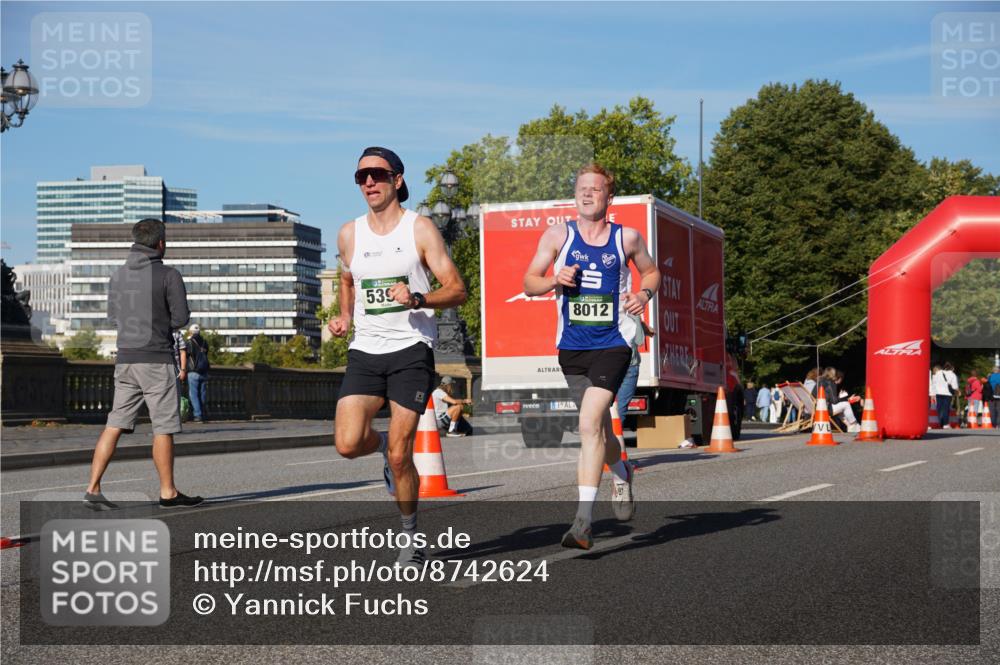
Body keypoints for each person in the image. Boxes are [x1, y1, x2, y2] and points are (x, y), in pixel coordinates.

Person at [329, 146, 467, 567]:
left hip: (410, 351)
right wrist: (344, 314)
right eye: (361, 177)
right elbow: (347, 278)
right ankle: (388, 446)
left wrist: (419, 296)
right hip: (365, 351)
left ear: (398, 180)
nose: (368, 182)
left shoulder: (420, 229)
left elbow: (458, 289)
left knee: (400, 455)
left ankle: (410, 537)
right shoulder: (349, 233)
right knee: (348, 444)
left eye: (377, 174)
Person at [523, 162, 660, 550]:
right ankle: (621, 471)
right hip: (572, 348)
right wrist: (554, 279)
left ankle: (582, 522)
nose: (587, 194)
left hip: (614, 343)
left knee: (587, 426)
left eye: (595, 189)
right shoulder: (557, 236)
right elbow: (529, 282)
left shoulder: (627, 238)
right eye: (582, 188)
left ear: (608, 198)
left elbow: (652, 274)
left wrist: (643, 296)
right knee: (597, 429)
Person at [83, 218, 203, 509]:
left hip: (124, 359)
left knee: (115, 424)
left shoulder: (118, 276)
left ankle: (93, 488)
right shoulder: (168, 274)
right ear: (160, 243)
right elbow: (181, 319)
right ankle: (168, 492)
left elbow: (113, 317)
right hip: (156, 360)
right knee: (163, 427)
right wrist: (158, 326)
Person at [186, 323, 210, 423]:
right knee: (202, 394)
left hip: (193, 371)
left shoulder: (190, 342)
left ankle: (198, 415)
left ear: (191, 332)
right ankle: (203, 414)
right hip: (204, 372)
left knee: (194, 394)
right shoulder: (204, 342)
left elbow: (187, 354)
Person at [931, 363, 958, 429]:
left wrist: (933, 394)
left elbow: (933, 383)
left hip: (938, 393)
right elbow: (955, 386)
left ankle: (939, 423)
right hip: (947, 394)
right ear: (952, 368)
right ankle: (945, 424)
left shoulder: (938, 373)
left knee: (939, 408)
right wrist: (956, 392)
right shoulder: (952, 375)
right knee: (946, 408)